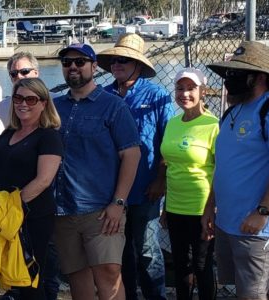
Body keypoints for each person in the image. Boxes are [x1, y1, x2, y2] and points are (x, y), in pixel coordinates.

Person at [203, 40, 269, 300]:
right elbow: (224, 165)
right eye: (228, 73)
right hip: (227, 222)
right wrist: (209, 207)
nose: (228, 79)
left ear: (258, 78)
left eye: (236, 74)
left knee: (252, 294)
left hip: (257, 228)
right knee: (234, 289)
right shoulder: (231, 113)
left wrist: (262, 212)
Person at [52, 43, 141, 300]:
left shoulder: (113, 106)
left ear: (93, 66)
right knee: (77, 277)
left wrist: (119, 202)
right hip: (62, 208)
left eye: (80, 62)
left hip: (101, 210)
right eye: (67, 62)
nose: (73, 67)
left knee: (109, 273)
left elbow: (131, 154)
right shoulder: (54, 107)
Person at [96, 33, 173, 300]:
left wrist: (161, 179)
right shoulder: (102, 96)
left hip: (144, 188)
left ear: (138, 65)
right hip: (111, 191)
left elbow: (167, 140)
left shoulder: (157, 95)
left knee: (147, 251)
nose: (117, 64)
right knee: (119, 252)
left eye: (124, 60)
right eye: (114, 60)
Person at [0, 78, 64, 300]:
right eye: (18, 98)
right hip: (4, 217)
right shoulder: (8, 133)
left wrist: (13, 206)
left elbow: (43, 180)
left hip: (32, 217)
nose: (23, 104)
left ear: (43, 103)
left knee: (29, 278)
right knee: (10, 277)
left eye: (30, 99)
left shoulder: (48, 136)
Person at [154, 69, 217, 300]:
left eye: (191, 88)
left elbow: (220, 170)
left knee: (201, 266)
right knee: (181, 264)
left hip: (201, 207)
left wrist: (212, 209)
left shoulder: (213, 125)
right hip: (175, 206)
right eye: (180, 88)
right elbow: (170, 165)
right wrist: (166, 207)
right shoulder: (172, 123)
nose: (185, 94)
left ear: (202, 91)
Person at [0, 52, 41, 125]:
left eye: (24, 71)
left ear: (36, 73)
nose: (19, 76)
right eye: (14, 73)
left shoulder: (55, 101)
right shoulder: (2, 108)